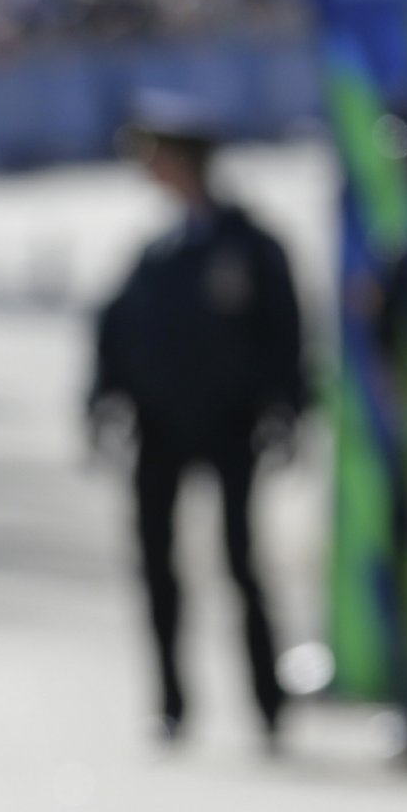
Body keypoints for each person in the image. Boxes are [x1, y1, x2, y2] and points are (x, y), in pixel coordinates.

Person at [89, 100, 305, 744]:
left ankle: (269, 706)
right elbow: (116, 332)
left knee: (241, 562)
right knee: (158, 565)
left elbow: (287, 336)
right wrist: (104, 398)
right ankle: (173, 703)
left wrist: (286, 408)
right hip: (159, 427)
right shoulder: (157, 251)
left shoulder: (251, 245)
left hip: (231, 424)